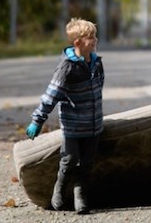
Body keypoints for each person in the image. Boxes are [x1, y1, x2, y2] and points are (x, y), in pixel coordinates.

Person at [24, 18, 104, 215]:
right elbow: (51, 95)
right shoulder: (67, 68)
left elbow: (98, 90)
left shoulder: (97, 64)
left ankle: (80, 194)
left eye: (95, 36)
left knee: (87, 163)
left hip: (93, 125)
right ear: (78, 43)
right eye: (91, 37)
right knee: (69, 159)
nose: (95, 40)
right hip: (73, 126)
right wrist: (37, 120)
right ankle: (59, 187)